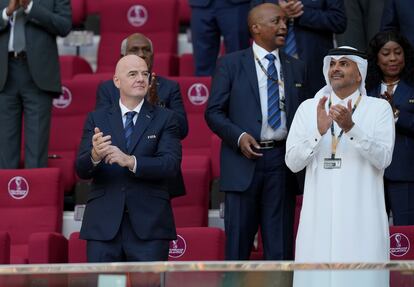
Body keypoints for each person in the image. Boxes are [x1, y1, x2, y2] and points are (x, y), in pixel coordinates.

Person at [205, 3, 307, 260]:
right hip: (242, 161)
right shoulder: (229, 63)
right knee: (238, 247)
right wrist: (238, 137)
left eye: (285, 21)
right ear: (255, 28)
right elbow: (213, 112)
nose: (283, 26)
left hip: (281, 163)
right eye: (276, 21)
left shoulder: (297, 66)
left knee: (280, 248)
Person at [285, 47, 395, 287]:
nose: (336, 68)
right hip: (318, 220)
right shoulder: (308, 108)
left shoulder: (379, 109)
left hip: (362, 220)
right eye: (332, 63)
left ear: (360, 74)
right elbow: (292, 163)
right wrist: (318, 132)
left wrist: (351, 128)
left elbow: (384, 158)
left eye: (344, 63)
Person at [76, 55, 181, 262]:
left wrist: (130, 161)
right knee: (106, 286)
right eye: (133, 74)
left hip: (149, 225)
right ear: (117, 81)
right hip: (103, 226)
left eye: (145, 74)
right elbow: (80, 168)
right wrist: (95, 156)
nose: (141, 78)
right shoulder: (97, 118)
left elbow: (170, 165)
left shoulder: (166, 117)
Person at [0, 0, 72, 168]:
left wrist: (30, 7)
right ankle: (4, 193)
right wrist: (7, 12)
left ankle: (35, 192)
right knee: (4, 151)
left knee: (36, 147)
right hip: (4, 73)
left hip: (39, 75)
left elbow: (64, 25)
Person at [95, 33, 188, 140]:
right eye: (134, 50)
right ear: (122, 57)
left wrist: (155, 106)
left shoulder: (169, 87)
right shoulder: (108, 89)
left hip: (156, 154)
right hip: (119, 151)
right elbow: (101, 128)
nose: (141, 54)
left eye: (146, 50)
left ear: (152, 56)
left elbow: (182, 130)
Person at [251, 0, 346, 100]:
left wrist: (302, 13)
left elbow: (339, 21)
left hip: (315, 67)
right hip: (271, 65)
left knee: (316, 109)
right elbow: (252, 19)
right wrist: (278, 12)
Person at [366, 30, 414, 225]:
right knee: (373, 231)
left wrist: (395, 114)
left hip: (406, 173)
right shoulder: (367, 89)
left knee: (407, 235)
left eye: (398, 52)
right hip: (373, 171)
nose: (393, 58)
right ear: (376, 59)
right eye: (386, 54)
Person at [189, 0, 251, 76]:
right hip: (200, 4)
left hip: (236, 5)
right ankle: (206, 87)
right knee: (202, 63)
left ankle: (239, 87)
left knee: (238, 61)